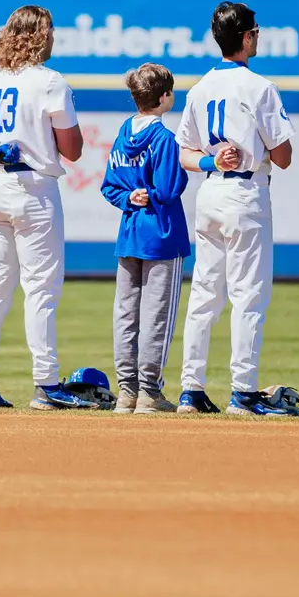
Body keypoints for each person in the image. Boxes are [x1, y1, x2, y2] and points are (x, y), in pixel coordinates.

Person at [175, 3, 299, 416]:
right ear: (246, 37)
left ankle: (191, 390)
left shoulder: (200, 87)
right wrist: (258, 145)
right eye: (256, 32)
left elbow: (185, 153)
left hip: (210, 192)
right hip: (246, 195)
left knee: (205, 295)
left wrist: (214, 161)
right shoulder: (259, 87)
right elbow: (283, 156)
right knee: (248, 295)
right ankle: (243, 392)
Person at [0, 5, 89, 409]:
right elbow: (73, 150)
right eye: (49, 30)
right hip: (34, 189)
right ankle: (47, 385)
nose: (53, 38)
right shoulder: (50, 81)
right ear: (37, 35)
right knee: (41, 290)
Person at [100, 63, 189, 414]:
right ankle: (150, 392)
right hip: (162, 235)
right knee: (156, 315)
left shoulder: (124, 131)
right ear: (163, 97)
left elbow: (109, 184)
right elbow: (169, 188)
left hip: (130, 231)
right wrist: (153, 190)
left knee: (126, 314)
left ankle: (127, 392)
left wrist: (129, 197)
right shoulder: (165, 138)